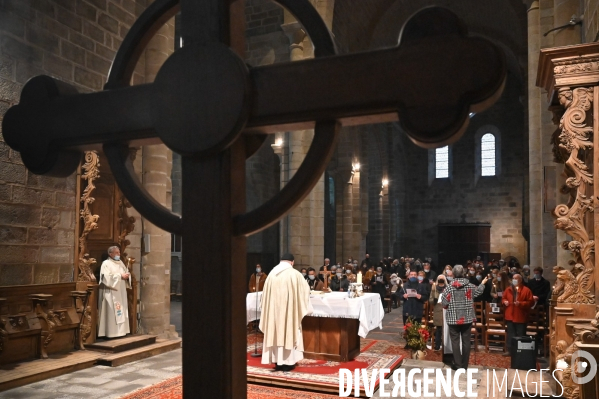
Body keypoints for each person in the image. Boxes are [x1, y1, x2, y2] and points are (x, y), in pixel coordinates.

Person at [260, 254, 312, 371]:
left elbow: (264, 297)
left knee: (275, 333)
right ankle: (287, 363)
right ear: (292, 262)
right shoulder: (295, 275)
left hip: (274, 314)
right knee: (288, 332)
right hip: (289, 314)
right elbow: (305, 292)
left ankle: (277, 362)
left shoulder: (271, 274)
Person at [441, 265, 487, 370]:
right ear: (463, 273)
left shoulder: (449, 287)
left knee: (455, 342)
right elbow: (479, 292)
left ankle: (458, 365)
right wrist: (483, 284)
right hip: (467, 318)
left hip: (453, 319)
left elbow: (444, 303)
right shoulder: (469, 286)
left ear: (453, 274)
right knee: (466, 342)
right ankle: (464, 365)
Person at [98, 245, 131, 338]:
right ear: (110, 253)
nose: (118, 254)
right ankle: (111, 332)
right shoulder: (106, 263)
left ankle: (121, 332)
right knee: (112, 312)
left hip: (120, 291)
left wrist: (127, 276)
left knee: (121, 310)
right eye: (116, 252)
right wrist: (120, 276)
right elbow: (106, 277)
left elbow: (125, 273)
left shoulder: (120, 263)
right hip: (111, 291)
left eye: (119, 252)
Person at [502, 274, 534, 357]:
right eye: (513, 278)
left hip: (520, 315)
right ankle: (510, 350)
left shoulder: (526, 290)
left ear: (520, 280)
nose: (514, 280)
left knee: (520, 334)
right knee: (510, 334)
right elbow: (503, 298)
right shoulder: (508, 289)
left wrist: (520, 304)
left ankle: (520, 350)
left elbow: (530, 302)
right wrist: (504, 301)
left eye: (516, 278)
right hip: (510, 315)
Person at [429, 275, 447, 351]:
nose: (441, 281)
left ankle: (446, 345)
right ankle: (437, 345)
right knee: (439, 329)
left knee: (446, 329)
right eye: (439, 279)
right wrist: (434, 300)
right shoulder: (434, 288)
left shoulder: (448, 288)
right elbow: (430, 300)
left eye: (442, 279)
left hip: (446, 309)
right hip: (437, 309)